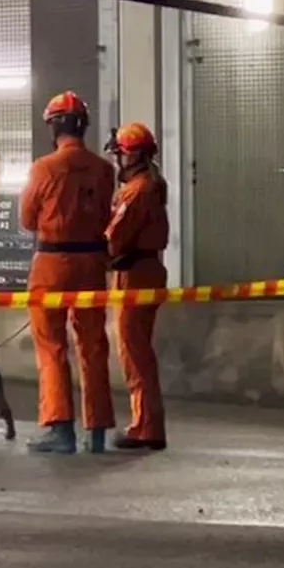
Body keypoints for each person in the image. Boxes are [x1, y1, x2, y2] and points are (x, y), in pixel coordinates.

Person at [19, 91, 116, 455]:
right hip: (92, 263)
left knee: (52, 346)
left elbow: (28, 219)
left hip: (52, 264)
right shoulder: (105, 169)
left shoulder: (44, 168)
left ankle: (59, 428)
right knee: (93, 345)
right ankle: (98, 430)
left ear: (53, 126)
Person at [105, 122, 169, 451]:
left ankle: (145, 427)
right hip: (145, 270)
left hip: (135, 275)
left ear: (133, 155)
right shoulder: (150, 185)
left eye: (119, 153)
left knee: (134, 353)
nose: (117, 160)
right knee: (139, 350)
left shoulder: (137, 190)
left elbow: (114, 238)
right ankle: (148, 424)